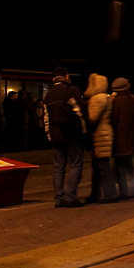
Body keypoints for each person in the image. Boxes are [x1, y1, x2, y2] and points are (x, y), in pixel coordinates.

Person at [43, 67, 88, 208]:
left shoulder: (48, 95)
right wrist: (84, 130)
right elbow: (80, 112)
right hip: (72, 133)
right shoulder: (72, 90)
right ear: (66, 77)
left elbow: (46, 118)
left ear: (53, 79)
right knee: (75, 163)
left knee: (58, 167)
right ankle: (70, 195)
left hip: (56, 135)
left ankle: (59, 198)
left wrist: (50, 135)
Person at [84, 73, 119, 204]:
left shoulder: (97, 99)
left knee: (103, 166)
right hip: (105, 133)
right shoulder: (107, 97)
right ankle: (98, 193)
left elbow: (92, 118)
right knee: (100, 166)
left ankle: (110, 194)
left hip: (100, 135)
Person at [110, 77, 134, 200]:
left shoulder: (115, 102)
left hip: (120, 140)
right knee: (132, 166)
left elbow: (113, 121)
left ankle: (123, 192)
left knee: (121, 167)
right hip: (133, 138)